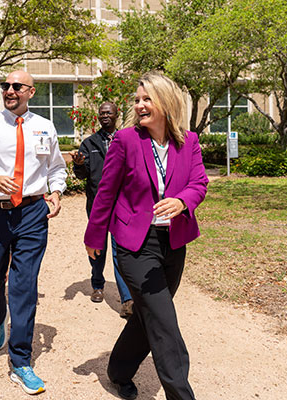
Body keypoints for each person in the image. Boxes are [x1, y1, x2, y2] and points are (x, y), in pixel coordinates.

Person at [84, 72, 208, 400]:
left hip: (174, 243)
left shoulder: (189, 142)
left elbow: (199, 183)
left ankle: (118, 370)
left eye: (146, 99)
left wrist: (183, 201)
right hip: (135, 245)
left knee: (147, 314)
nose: (139, 105)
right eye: (137, 100)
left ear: (166, 103)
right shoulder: (126, 140)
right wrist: (94, 236)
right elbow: (106, 191)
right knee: (164, 322)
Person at [0, 70, 66, 395]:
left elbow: (56, 167)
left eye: (17, 86)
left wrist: (56, 192)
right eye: (6, 85)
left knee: (24, 286)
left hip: (33, 213)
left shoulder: (44, 127)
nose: (9, 90)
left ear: (30, 92)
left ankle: (21, 361)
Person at [70, 102, 134, 318]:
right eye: (101, 113)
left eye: (108, 113)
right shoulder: (90, 143)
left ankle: (127, 299)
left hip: (122, 205)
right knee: (97, 247)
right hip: (98, 205)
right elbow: (82, 175)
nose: (104, 116)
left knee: (121, 250)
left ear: (117, 115)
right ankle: (97, 285)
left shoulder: (126, 139)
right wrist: (78, 165)